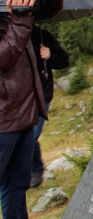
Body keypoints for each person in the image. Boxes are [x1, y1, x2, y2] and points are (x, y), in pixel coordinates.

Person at [1, 0, 63, 219]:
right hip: (3, 121)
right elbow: (4, 56)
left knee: (16, 186)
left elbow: (45, 11)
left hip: (24, 116)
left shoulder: (11, 12)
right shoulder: (16, 20)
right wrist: (20, 20)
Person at [30, 25, 70, 188]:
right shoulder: (8, 35)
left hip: (40, 96)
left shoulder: (41, 36)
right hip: (16, 99)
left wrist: (50, 55)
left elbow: (64, 60)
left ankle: (36, 169)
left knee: (31, 136)